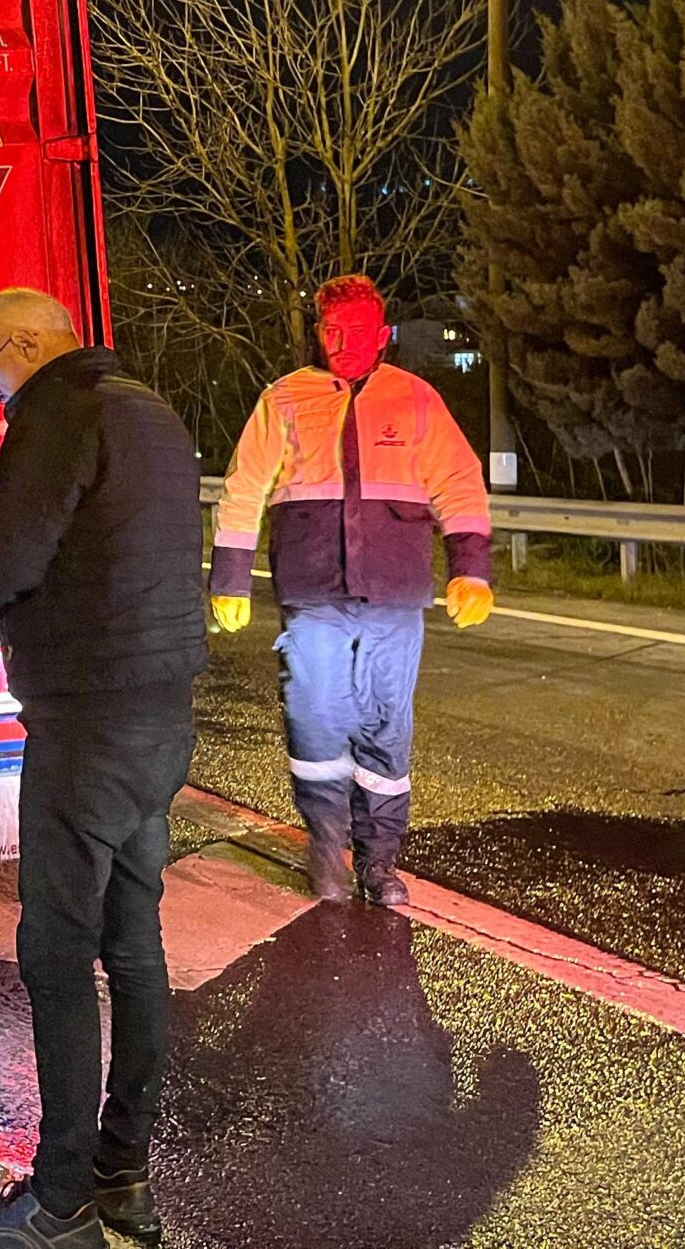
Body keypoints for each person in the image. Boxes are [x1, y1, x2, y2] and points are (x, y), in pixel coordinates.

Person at [0, 288, 207, 1249]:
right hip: (159, 715)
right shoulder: (148, 410)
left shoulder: (59, 413)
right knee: (133, 943)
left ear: (28, 345)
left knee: (57, 954)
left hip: (85, 720)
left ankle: (63, 1203)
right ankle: (124, 1175)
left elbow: (6, 562)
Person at [210, 274, 493, 907]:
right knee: (315, 717)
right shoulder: (285, 399)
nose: (342, 342)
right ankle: (325, 846)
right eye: (330, 330)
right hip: (313, 591)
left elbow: (459, 482)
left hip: (394, 592)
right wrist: (231, 578)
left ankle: (379, 861)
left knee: (386, 726)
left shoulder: (415, 399)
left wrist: (470, 566)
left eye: (356, 330)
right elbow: (244, 486)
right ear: (317, 331)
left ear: (382, 332)